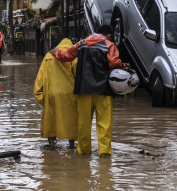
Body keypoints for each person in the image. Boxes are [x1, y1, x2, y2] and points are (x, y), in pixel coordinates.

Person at [50, 25, 129, 157]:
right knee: (104, 124)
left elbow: (67, 55)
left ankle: (84, 152)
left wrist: (56, 52)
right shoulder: (109, 45)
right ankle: (104, 153)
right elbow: (114, 62)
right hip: (103, 90)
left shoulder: (81, 44)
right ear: (108, 35)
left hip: (83, 89)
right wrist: (125, 66)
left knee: (83, 123)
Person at [34, 38, 78, 150]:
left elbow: (39, 79)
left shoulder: (48, 56)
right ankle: (72, 146)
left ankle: (52, 146)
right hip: (69, 94)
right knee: (71, 119)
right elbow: (78, 76)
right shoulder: (73, 56)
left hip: (51, 94)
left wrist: (41, 96)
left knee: (51, 119)